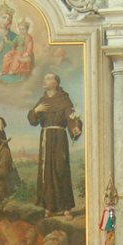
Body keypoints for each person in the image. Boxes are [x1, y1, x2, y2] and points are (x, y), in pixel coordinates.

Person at [28, 72, 78, 215]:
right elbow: (33, 121)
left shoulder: (64, 99)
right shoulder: (42, 100)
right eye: (45, 78)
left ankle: (66, 208)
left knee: (60, 169)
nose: (45, 80)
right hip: (45, 138)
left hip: (59, 138)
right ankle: (48, 207)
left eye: (48, 78)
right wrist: (35, 111)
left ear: (56, 83)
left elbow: (71, 116)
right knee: (47, 171)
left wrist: (75, 127)